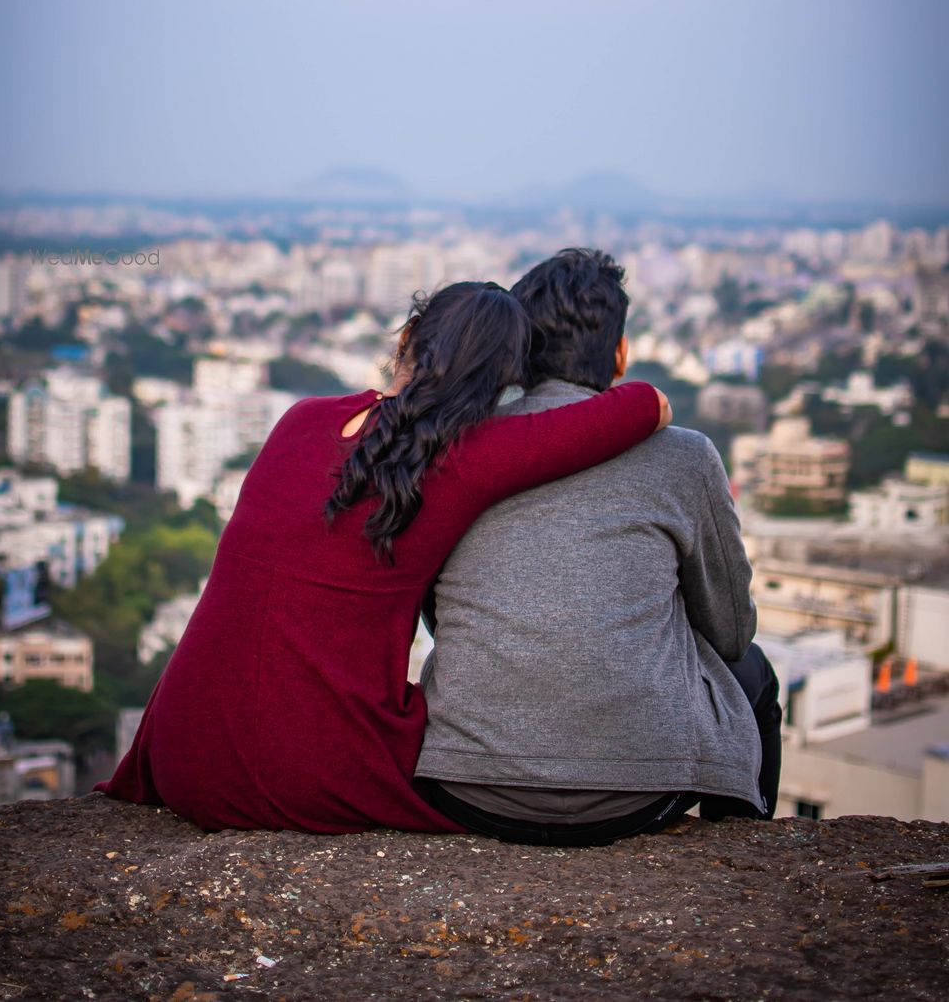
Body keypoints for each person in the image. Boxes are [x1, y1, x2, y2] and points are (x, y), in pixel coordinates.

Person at [96, 281, 670, 833]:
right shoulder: (469, 457)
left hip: (184, 752)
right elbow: (645, 404)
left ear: (406, 340)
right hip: (303, 770)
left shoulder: (301, 418)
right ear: (505, 382)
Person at [415, 249, 782, 846]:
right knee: (752, 670)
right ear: (619, 354)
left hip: (467, 784)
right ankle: (742, 846)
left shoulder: (460, 447)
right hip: (639, 795)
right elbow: (732, 632)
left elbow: (440, 614)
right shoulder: (683, 457)